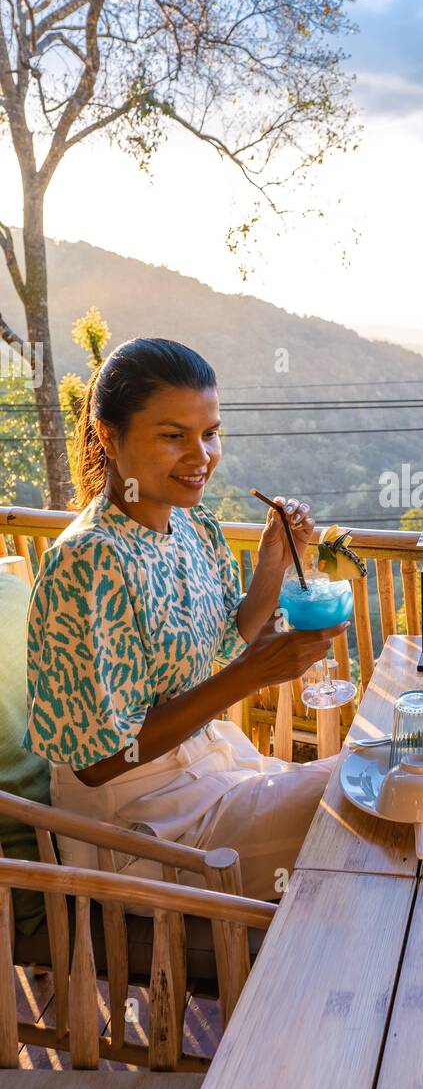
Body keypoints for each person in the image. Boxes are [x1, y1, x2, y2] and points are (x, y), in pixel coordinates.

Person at [23, 337, 349, 899]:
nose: (201, 456)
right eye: (174, 436)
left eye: (210, 433)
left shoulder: (194, 529)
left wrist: (272, 558)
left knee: (378, 768)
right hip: (135, 823)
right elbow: (99, 763)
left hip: (211, 766)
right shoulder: (89, 562)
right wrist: (249, 676)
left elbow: (228, 639)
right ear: (109, 434)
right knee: (358, 797)